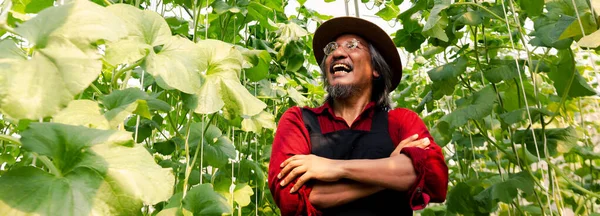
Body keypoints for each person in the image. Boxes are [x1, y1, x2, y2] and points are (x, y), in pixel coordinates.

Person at [268, 16, 449, 216]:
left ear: (376, 69)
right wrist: (389, 173)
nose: (336, 53)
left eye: (353, 46)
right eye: (331, 48)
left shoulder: (400, 121)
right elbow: (290, 198)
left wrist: (335, 168)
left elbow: (434, 178)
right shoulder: (299, 120)